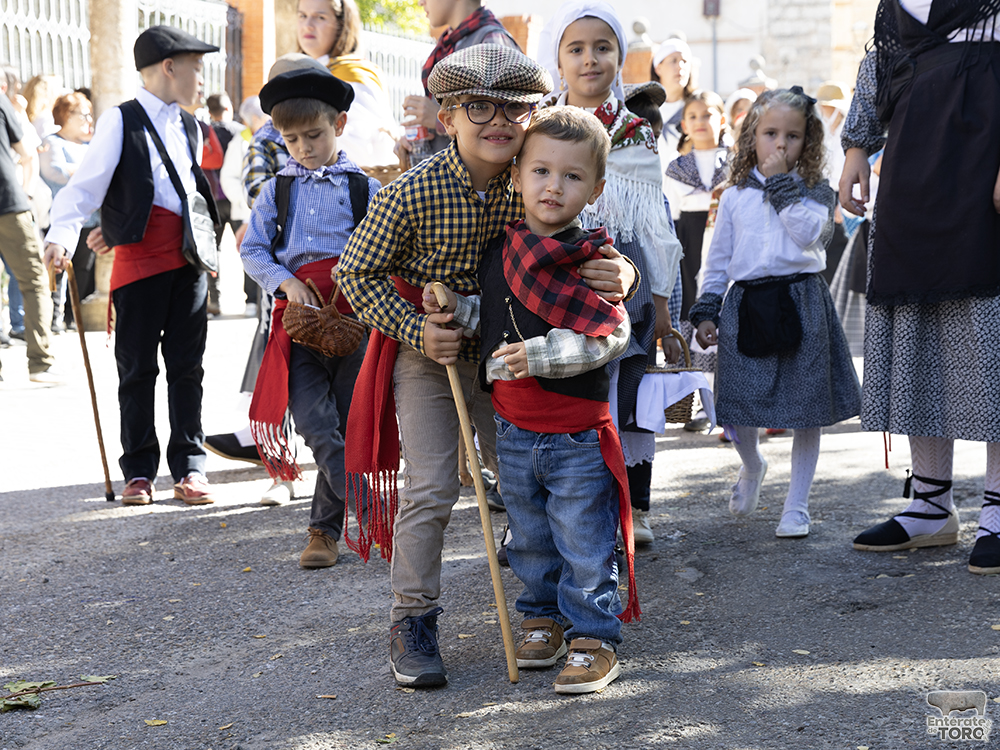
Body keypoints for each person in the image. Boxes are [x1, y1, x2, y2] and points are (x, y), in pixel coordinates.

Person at [336, 43, 636, 688]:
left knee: (532, 484)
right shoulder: (409, 193)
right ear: (447, 117)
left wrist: (623, 273)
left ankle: (564, 613)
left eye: (515, 108)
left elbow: (589, 249)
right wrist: (418, 328)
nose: (498, 120)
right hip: (433, 355)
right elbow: (352, 273)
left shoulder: (534, 174)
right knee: (434, 486)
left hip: (517, 359)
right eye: (478, 107)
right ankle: (412, 618)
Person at [427, 105, 634, 693]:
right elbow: (492, 316)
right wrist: (455, 308)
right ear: (516, 176)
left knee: (583, 536)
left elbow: (610, 334)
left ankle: (593, 635)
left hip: (575, 433)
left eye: (571, 177)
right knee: (530, 535)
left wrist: (542, 355)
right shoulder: (503, 251)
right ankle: (540, 618)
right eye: (541, 171)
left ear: (595, 187)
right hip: (514, 431)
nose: (553, 186)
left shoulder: (593, 260)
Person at [840, 0, 1000, 574]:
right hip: (911, 175)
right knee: (923, 335)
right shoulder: (896, 4)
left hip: (985, 167)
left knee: (989, 341)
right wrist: (857, 146)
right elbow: (880, 69)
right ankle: (931, 506)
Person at [43, 25, 221, 505]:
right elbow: (87, 188)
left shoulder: (191, 124)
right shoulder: (120, 120)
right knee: (138, 370)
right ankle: (139, 471)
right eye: (195, 68)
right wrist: (62, 236)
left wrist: (213, 252)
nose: (201, 79)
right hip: (140, 265)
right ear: (169, 67)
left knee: (188, 368)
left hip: (187, 264)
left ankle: (190, 467)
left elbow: (191, 197)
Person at [538, 0, 683, 545]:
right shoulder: (540, 124)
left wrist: (663, 301)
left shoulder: (636, 132)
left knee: (631, 390)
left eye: (603, 47)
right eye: (576, 48)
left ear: (620, 57)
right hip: (556, 271)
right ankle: (555, 513)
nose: (590, 59)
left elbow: (654, 223)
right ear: (558, 58)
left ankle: (634, 508)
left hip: (622, 275)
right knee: (561, 392)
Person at [689, 87, 862, 538]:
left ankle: (797, 505)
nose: (780, 144)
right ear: (752, 138)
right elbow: (718, 258)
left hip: (802, 301)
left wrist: (784, 184)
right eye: (770, 133)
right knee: (739, 400)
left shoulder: (817, 193)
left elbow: (809, 236)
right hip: (747, 302)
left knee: (806, 407)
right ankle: (752, 464)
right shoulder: (733, 197)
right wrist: (707, 307)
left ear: (809, 143)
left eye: (793, 135)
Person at [239, 68, 381, 569]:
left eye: (314, 135)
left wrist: (358, 266)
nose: (304, 147)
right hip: (297, 324)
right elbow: (253, 249)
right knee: (316, 422)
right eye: (292, 139)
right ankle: (363, 506)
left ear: (339, 124)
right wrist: (286, 281)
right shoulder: (277, 191)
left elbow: (386, 247)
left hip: (354, 319)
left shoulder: (366, 188)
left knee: (347, 421)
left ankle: (322, 531)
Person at [203, 55, 331, 508]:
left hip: (338, 292)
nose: (302, 143)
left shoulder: (344, 167)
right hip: (286, 276)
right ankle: (282, 470)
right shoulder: (267, 145)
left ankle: (331, 480)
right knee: (277, 366)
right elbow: (262, 201)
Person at [400, 0, 518, 159]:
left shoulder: (491, 41)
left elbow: (503, 125)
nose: (421, 2)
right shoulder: (449, 43)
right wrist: (416, 141)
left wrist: (440, 120)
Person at [0, 67, 58, 383]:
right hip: (8, 202)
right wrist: (27, 191)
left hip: (10, 200)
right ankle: (41, 363)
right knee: (33, 281)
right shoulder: (1, 103)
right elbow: (27, 153)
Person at [296, 0, 398, 167]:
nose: (307, 25)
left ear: (342, 24)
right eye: (302, 16)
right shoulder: (307, 71)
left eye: (320, 17)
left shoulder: (351, 73)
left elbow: (368, 148)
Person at [665, 90, 730, 324]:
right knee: (690, 295)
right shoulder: (676, 168)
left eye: (707, 115)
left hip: (726, 232)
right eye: (692, 117)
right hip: (688, 237)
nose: (699, 122)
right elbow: (671, 213)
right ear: (684, 125)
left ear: (722, 121)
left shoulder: (736, 163)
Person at [39, 91, 98, 331]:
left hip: (91, 220)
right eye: (83, 114)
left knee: (83, 270)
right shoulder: (52, 142)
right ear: (66, 115)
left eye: (90, 115)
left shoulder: (91, 145)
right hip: (60, 220)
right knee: (58, 269)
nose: (88, 120)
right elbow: (55, 173)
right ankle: (53, 318)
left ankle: (71, 318)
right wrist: (88, 172)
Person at [650, 36, 695, 171]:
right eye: (673, 61)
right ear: (658, 68)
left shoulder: (697, 108)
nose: (680, 67)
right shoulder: (645, 111)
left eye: (684, 61)